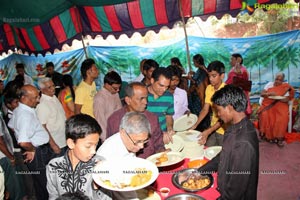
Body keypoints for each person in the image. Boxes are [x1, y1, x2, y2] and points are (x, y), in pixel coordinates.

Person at [198, 85, 259, 200]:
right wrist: (200, 171)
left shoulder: (243, 142)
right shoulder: (234, 128)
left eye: (219, 110)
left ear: (229, 107)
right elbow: (223, 155)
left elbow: (236, 189)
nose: (218, 115)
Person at [46, 114, 112, 200]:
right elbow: (53, 196)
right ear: (71, 143)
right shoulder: (54, 166)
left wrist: (97, 185)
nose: (94, 151)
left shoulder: (100, 164)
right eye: (88, 146)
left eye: (96, 145)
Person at [8, 85, 56, 200]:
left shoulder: (20, 109)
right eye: (35, 98)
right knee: (45, 185)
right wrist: (32, 149)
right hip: (38, 153)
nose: (38, 100)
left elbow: (11, 125)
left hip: (36, 151)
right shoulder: (25, 115)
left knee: (38, 183)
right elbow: (23, 142)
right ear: (24, 98)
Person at [106, 82, 165, 158]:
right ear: (128, 100)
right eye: (141, 99)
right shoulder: (114, 120)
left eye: (146, 98)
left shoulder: (152, 118)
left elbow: (159, 144)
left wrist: (163, 153)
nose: (146, 102)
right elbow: (111, 149)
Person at [190, 61, 226, 147]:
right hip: (213, 127)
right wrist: (195, 124)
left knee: (224, 155)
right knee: (207, 149)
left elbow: (223, 118)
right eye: (209, 76)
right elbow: (205, 109)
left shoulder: (225, 91)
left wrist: (208, 131)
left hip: (225, 130)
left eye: (214, 76)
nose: (210, 79)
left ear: (222, 76)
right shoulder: (209, 88)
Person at [258, 72, 294, 147]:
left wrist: (281, 98)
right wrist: (269, 94)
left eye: (280, 80)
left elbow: (288, 98)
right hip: (268, 104)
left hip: (281, 104)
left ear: (283, 80)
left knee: (282, 117)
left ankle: (279, 138)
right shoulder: (269, 84)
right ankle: (266, 136)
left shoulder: (285, 87)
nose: (277, 81)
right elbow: (262, 94)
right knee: (264, 114)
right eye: (276, 79)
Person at [36, 77, 67, 155]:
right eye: (49, 87)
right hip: (55, 143)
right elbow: (42, 126)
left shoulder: (54, 97)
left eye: (53, 85)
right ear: (42, 90)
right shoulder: (42, 104)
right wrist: (53, 144)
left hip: (63, 139)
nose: (53, 88)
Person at [147, 67, 174, 144]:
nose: (164, 89)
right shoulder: (142, 96)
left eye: (167, 86)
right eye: (161, 85)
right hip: (147, 139)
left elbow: (169, 116)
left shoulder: (169, 96)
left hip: (164, 138)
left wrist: (169, 128)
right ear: (152, 81)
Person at [93, 71, 122, 142]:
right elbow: (100, 121)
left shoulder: (115, 94)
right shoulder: (99, 98)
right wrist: (106, 139)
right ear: (107, 85)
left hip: (118, 133)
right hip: (108, 136)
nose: (118, 90)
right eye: (115, 88)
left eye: (119, 88)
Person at [187, 54, 210, 131]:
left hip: (198, 97)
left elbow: (198, 84)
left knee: (199, 112)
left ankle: (199, 127)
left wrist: (190, 78)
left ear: (197, 62)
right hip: (200, 96)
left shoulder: (201, 71)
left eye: (194, 62)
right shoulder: (203, 69)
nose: (193, 63)